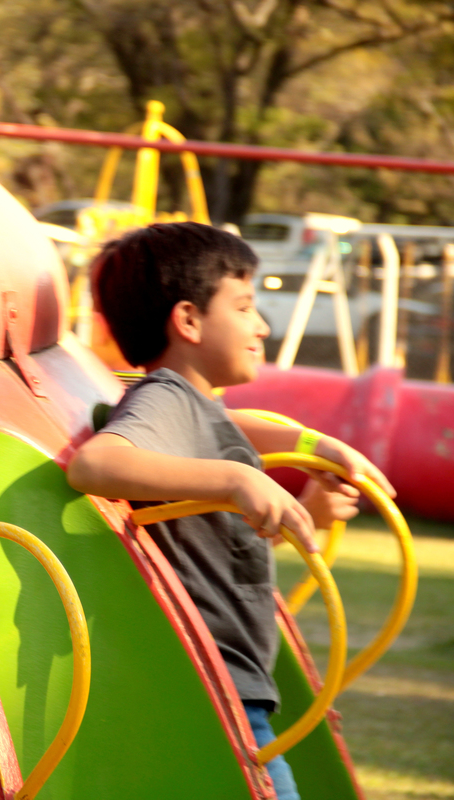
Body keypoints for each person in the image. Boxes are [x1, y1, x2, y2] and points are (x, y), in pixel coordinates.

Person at [67, 222, 394, 800]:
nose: (261, 325)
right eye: (244, 306)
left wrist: (311, 486)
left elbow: (207, 550)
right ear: (188, 320)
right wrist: (237, 476)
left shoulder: (198, 412)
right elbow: (95, 465)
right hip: (213, 681)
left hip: (228, 680)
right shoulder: (167, 398)